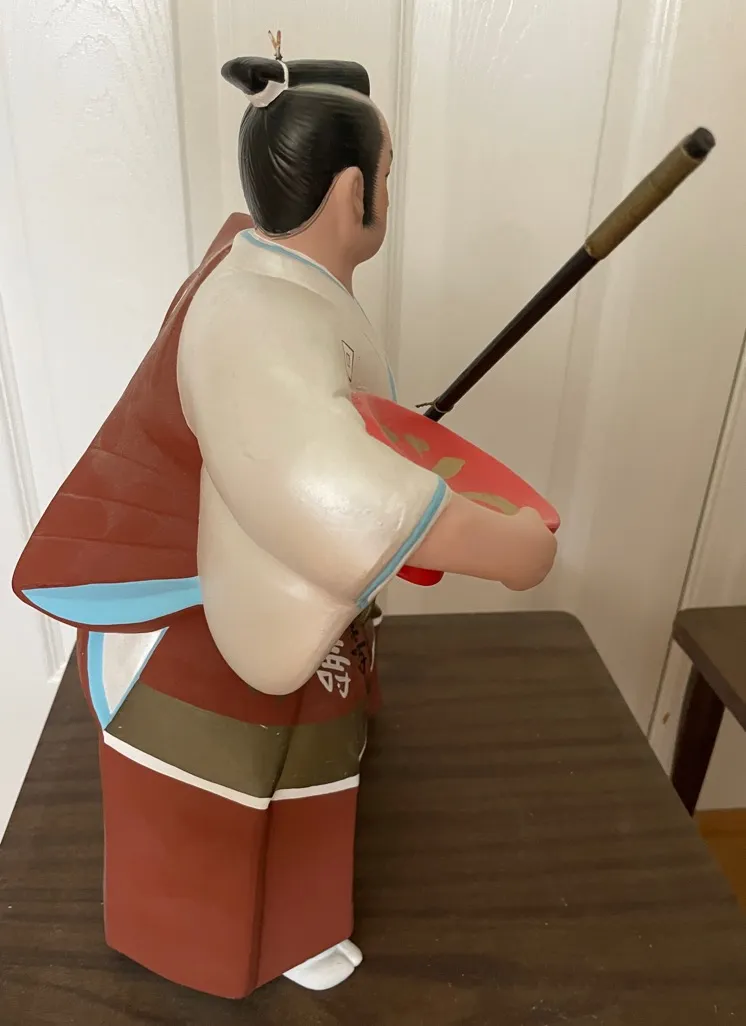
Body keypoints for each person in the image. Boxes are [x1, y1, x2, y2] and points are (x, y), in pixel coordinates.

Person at [12, 49, 556, 999]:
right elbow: (330, 489)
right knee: (226, 791)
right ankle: (223, 938)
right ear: (352, 193)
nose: (389, 194)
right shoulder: (255, 312)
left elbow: (329, 435)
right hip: (202, 624)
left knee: (309, 768)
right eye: (388, 176)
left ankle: (294, 918)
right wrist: (506, 548)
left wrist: (393, 434)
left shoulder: (271, 274)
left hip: (274, 589)